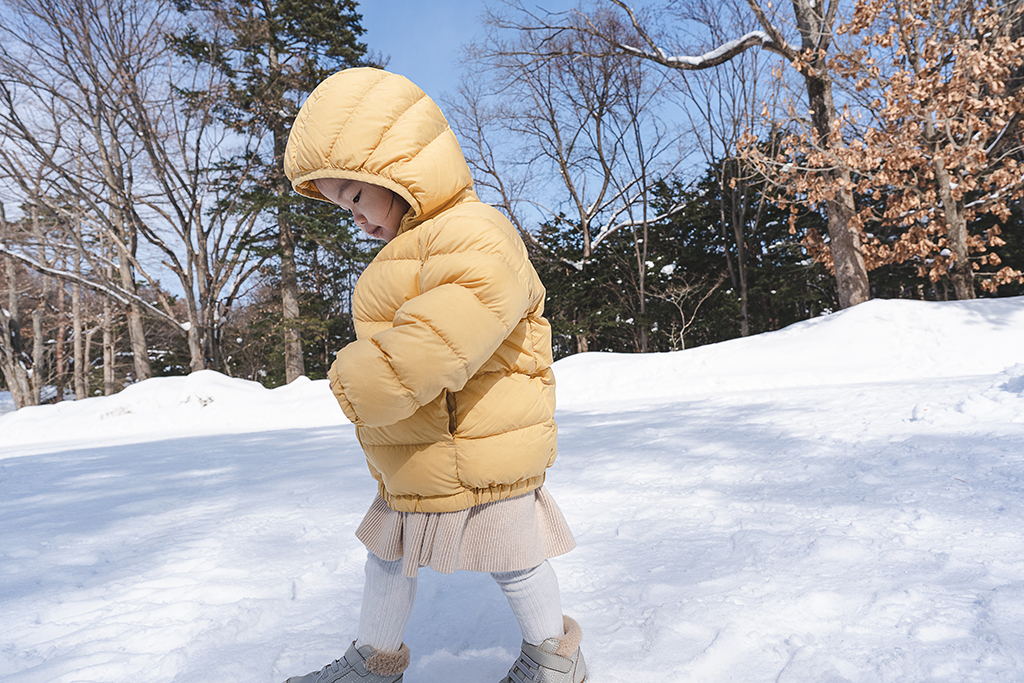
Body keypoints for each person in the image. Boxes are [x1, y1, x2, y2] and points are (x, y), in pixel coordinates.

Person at [281, 67, 586, 683]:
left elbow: (438, 339)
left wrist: (354, 380)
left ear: (395, 171)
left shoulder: (476, 235)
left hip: (479, 443)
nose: (358, 219)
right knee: (388, 556)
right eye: (343, 207)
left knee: (514, 559)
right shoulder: (420, 245)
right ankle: (374, 662)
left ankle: (555, 658)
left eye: (357, 197)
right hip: (422, 448)